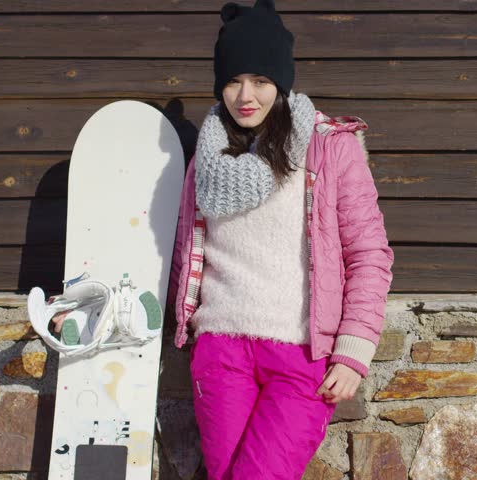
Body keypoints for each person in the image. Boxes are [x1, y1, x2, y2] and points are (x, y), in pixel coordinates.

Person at [165, 1, 394, 478]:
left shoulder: (330, 148)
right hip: (221, 351)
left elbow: (369, 254)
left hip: (301, 355)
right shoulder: (206, 163)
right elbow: (186, 254)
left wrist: (354, 350)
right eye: (232, 81)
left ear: (282, 82)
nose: (245, 96)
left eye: (261, 81)